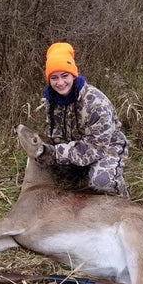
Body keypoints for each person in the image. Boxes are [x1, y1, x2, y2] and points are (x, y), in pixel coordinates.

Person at [41, 42, 130, 198]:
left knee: (101, 181)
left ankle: (125, 203)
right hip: (74, 148)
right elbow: (54, 135)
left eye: (65, 76)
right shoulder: (51, 101)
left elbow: (98, 147)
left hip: (106, 148)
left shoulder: (96, 103)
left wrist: (56, 153)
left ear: (73, 75)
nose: (60, 83)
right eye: (54, 78)